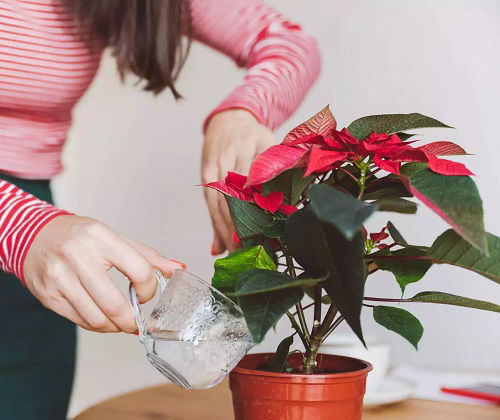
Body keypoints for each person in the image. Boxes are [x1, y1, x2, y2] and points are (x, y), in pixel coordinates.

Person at [0, 0, 320, 418]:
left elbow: (290, 41)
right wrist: (22, 226)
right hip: (31, 232)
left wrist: (243, 112)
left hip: (36, 243)